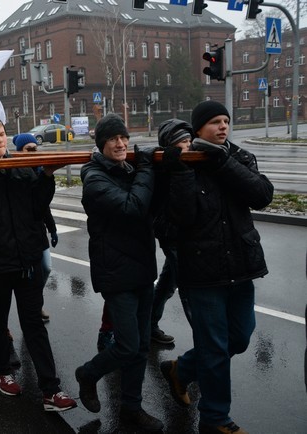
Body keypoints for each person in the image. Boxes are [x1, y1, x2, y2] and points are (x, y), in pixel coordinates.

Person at [160, 101, 273, 434]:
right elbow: (181, 219)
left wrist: (222, 162)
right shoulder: (185, 162)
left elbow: (262, 195)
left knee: (238, 338)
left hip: (242, 264)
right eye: (214, 122)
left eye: (226, 120)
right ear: (198, 130)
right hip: (202, 271)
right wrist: (180, 172)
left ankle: (181, 370)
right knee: (214, 346)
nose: (223, 126)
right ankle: (214, 418)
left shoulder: (238, 156)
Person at [0, 115, 76, 412]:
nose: (0, 140)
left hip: (27, 258)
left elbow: (37, 207)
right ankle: (1, 371)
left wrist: (47, 176)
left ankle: (51, 390)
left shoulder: (18, 166)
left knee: (34, 323)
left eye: (2, 134)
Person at [75, 113, 163, 431]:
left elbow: (150, 208)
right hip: (115, 272)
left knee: (140, 347)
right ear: (102, 144)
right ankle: (88, 373)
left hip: (142, 267)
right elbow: (132, 208)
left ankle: (131, 407)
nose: (121, 143)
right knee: (126, 344)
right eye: (113, 139)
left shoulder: (129, 170)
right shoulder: (95, 178)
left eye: (124, 138)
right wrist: (147, 169)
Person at [149, 118, 195, 345]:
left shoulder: (192, 160)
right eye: (182, 141)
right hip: (170, 233)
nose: (188, 144)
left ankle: (149, 323)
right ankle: (205, 340)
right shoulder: (162, 165)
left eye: (189, 139)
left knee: (169, 281)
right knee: (188, 284)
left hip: (187, 234)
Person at [13, 133, 58, 322]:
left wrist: (52, 228)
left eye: (34, 148)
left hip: (39, 231)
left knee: (46, 268)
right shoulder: (16, 173)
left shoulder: (39, 170)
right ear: (20, 152)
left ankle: (36, 303)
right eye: (28, 149)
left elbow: (43, 205)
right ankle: (33, 306)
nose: (33, 152)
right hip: (24, 234)